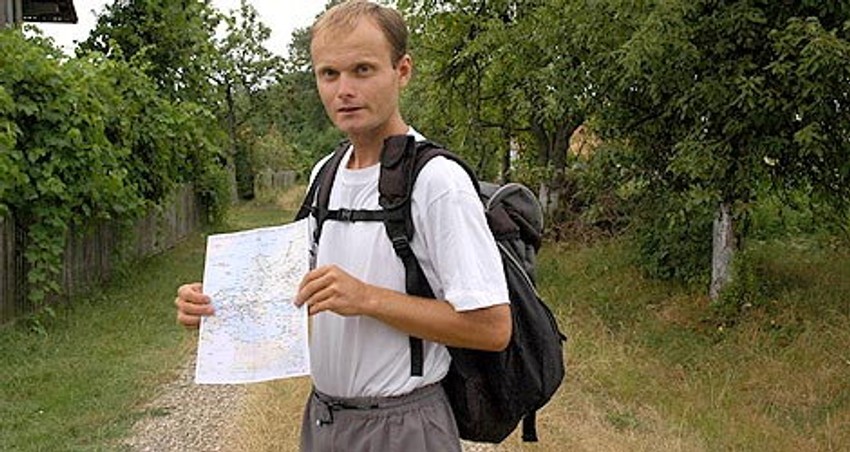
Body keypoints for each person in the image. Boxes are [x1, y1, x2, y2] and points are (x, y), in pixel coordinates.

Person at [174, 1, 511, 450]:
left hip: (404, 427)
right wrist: (218, 307)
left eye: (362, 70)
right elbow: (294, 294)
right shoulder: (325, 175)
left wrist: (367, 298)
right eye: (329, 74)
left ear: (402, 71)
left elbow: (492, 328)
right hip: (324, 420)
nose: (344, 90)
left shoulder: (437, 181)